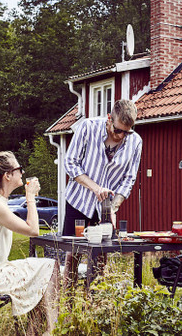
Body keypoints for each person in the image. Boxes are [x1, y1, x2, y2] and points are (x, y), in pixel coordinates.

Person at [0, 149, 58, 335]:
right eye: (20, 169)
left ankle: (37, 331)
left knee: (47, 269)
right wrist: (30, 196)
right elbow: (33, 230)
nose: (22, 173)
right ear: (8, 175)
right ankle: (48, 330)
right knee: (49, 268)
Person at [62, 99, 142, 288]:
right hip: (79, 200)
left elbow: (129, 179)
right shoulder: (88, 127)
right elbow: (70, 163)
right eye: (118, 130)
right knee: (73, 255)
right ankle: (68, 305)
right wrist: (95, 188)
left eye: (127, 131)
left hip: (106, 207)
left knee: (100, 257)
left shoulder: (136, 142)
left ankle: (95, 304)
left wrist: (113, 208)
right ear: (109, 119)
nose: (122, 135)